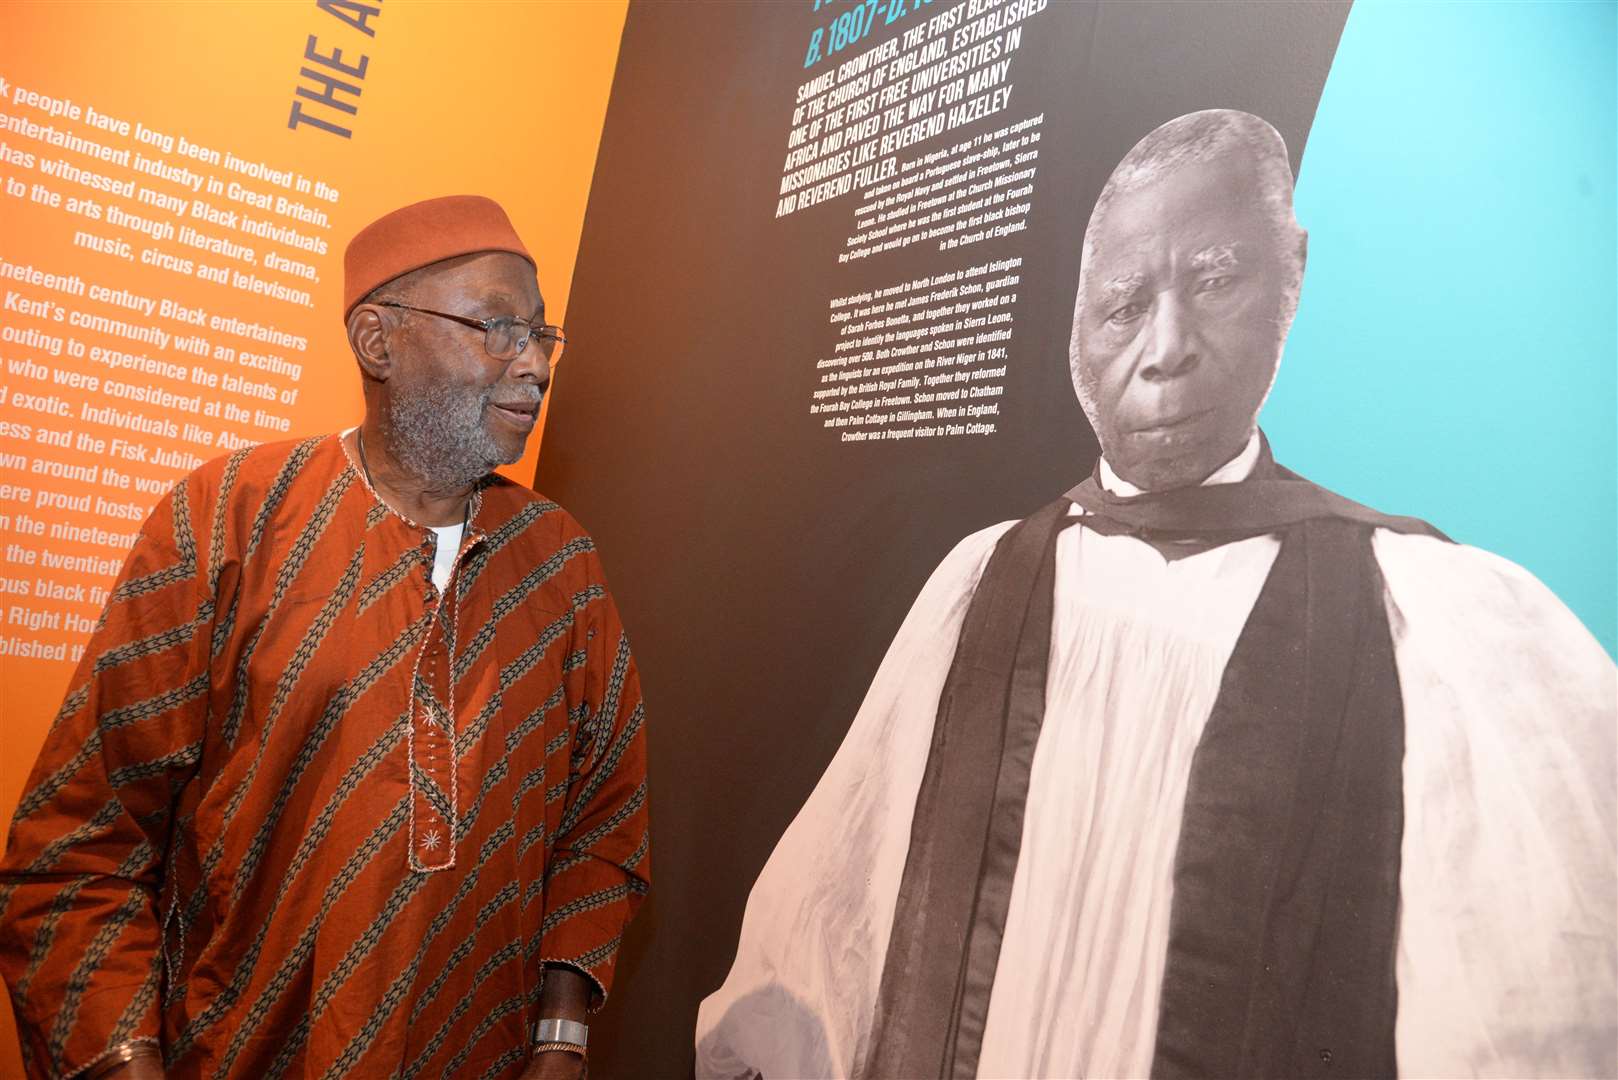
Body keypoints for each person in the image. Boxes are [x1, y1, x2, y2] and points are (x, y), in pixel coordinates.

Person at [695, 111, 1615, 1079]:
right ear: (1075, 334)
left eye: (1215, 280)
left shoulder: (1419, 621)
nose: (1165, 346)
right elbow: (818, 947)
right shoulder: (982, 588)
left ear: (1290, 277)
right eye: (1125, 304)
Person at [0, 195, 650, 1080]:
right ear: (378, 342)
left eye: (542, 336)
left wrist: (561, 1039)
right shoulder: (228, 518)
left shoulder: (561, 566)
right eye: (497, 327)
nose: (534, 365)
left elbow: (604, 819)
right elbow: (80, 847)